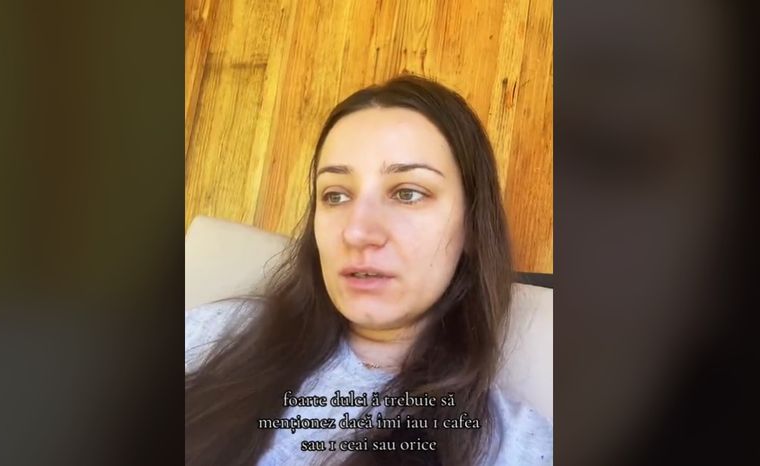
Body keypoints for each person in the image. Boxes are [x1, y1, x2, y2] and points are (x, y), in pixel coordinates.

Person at [185, 75, 553, 465]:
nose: (357, 232)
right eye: (335, 195)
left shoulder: (512, 447)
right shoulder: (212, 334)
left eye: (408, 193)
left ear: (472, 227)